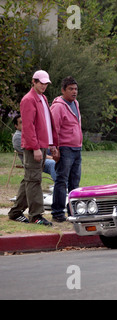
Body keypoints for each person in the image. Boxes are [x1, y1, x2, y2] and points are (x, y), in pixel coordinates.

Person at [8, 70, 59, 226]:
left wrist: (52, 145)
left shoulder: (42, 98)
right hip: (34, 146)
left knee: (30, 178)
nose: (43, 86)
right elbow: (28, 127)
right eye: (41, 83)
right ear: (34, 82)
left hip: (42, 145)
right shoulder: (28, 99)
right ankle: (36, 215)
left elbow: (46, 124)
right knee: (34, 180)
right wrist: (35, 148)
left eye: (46, 83)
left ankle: (16, 212)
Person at [51, 76, 82, 222]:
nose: (74, 92)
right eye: (70, 89)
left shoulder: (75, 103)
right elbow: (53, 129)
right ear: (63, 90)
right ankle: (57, 213)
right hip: (65, 148)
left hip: (77, 148)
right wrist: (54, 148)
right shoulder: (58, 106)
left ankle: (73, 212)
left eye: (75, 89)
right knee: (61, 180)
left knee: (74, 182)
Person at [12, 114, 57, 181]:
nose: (24, 124)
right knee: (52, 163)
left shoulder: (29, 133)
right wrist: (51, 158)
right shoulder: (18, 137)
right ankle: (60, 186)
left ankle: (66, 184)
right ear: (16, 126)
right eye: (21, 122)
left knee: (64, 155)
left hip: (42, 154)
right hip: (32, 160)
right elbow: (30, 153)